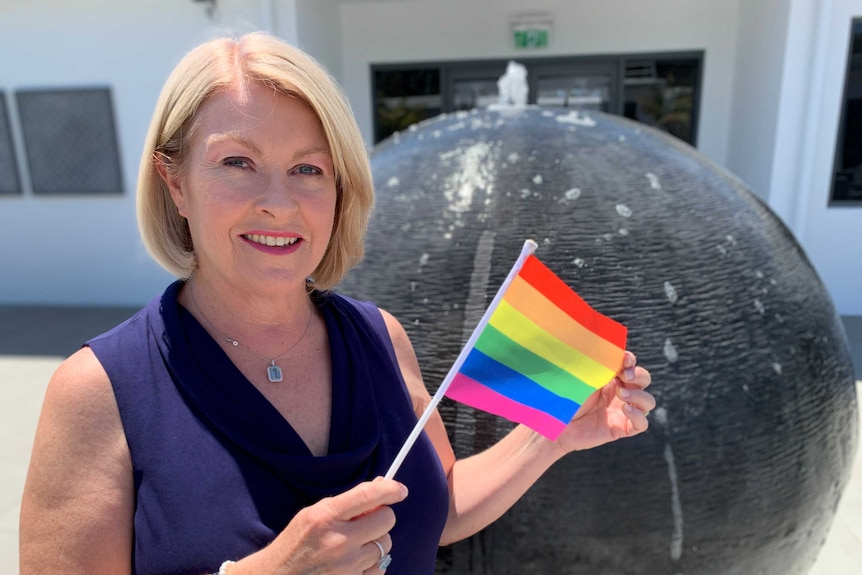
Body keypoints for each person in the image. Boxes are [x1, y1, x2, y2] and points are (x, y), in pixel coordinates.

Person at [19, 32, 654, 575]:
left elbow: (438, 506)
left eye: (308, 169)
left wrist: (551, 435)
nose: (279, 202)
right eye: (237, 162)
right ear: (175, 182)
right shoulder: (98, 391)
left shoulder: (380, 336)